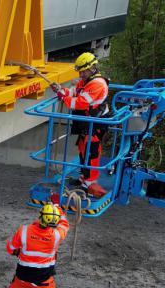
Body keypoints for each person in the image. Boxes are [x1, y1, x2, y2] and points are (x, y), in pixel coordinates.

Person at [52, 52, 110, 198]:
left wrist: (63, 97)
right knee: (83, 150)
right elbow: (74, 92)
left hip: (95, 123)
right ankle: (84, 178)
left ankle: (90, 183)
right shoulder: (85, 81)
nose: (81, 74)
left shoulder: (97, 84)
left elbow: (80, 102)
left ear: (92, 68)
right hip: (86, 122)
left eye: (83, 71)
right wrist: (61, 90)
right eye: (80, 71)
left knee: (92, 152)